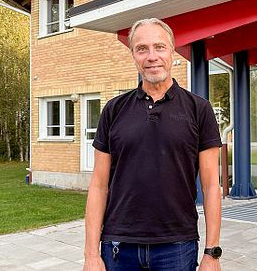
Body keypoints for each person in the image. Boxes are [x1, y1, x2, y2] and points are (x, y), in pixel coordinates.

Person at [83, 18, 223, 271]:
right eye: (142, 49)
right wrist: (91, 254)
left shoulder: (199, 109)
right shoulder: (114, 110)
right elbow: (98, 185)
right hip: (118, 245)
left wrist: (212, 253)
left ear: (172, 51)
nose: (152, 56)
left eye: (159, 47)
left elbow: (212, 185)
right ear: (133, 55)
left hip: (177, 246)